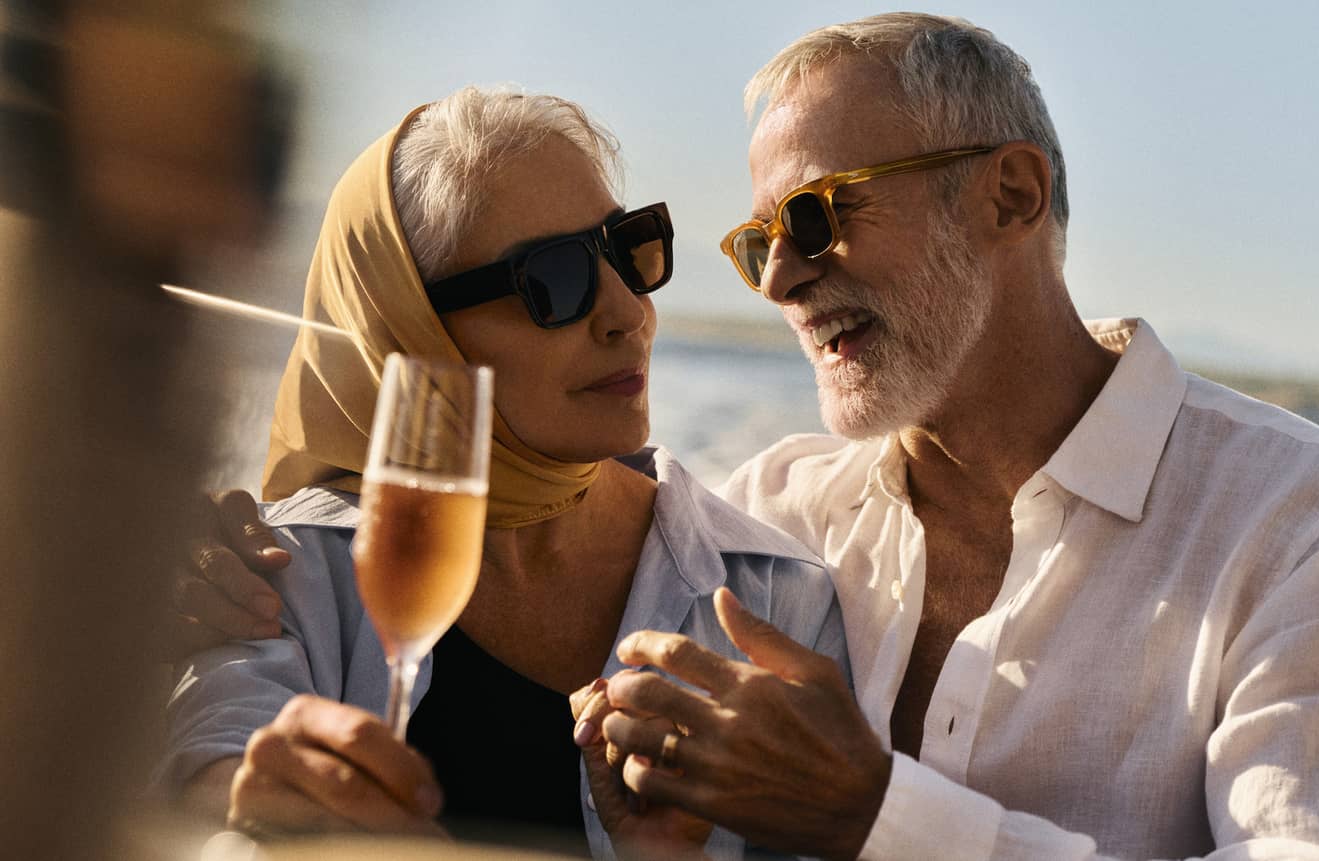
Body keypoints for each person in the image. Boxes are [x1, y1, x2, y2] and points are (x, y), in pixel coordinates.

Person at [185, 14, 1319, 861]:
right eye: (755, 243)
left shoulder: (1311, 528)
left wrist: (874, 814)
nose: (780, 281)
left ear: (1010, 194)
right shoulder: (765, 525)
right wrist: (188, 574)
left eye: (816, 218)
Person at [158, 85, 849, 861]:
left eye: (628, 249)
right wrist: (240, 802)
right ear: (408, 326)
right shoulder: (270, 575)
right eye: (554, 280)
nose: (629, 312)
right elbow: (213, 754)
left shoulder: (773, 596)